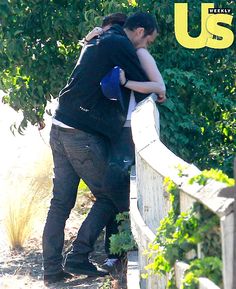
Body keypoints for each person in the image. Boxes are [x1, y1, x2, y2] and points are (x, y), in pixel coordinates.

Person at [42, 12, 159, 285]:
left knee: (60, 203)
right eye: (148, 41)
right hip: (80, 134)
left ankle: (51, 270)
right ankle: (78, 256)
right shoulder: (120, 44)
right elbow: (148, 85)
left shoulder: (99, 41)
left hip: (59, 125)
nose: (145, 47)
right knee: (112, 194)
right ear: (139, 31)